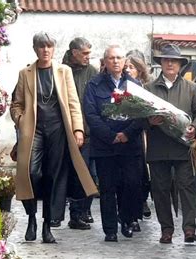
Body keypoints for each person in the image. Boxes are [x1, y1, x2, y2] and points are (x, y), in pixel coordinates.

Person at [10, 32, 98, 243]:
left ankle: (47, 225)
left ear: (54, 49)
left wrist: (78, 129)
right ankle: (31, 217)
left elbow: (73, 102)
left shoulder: (63, 71)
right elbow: (16, 104)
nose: (45, 50)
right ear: (35, 49)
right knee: (30, 173)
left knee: (52, 177)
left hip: (58, 129)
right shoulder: (26, 73)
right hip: (34, 130)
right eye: (41, 47)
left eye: (49, 47)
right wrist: (21, 120)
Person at [145, 44, 196, 243]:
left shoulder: (192, 88)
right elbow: (137, 119)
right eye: (166, 60)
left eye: (174, 60)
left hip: (183, 148)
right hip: (159, 148)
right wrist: (148, 121)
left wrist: (195, 128)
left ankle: (189, 229)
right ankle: (166, 230)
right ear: (161, 63)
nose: (170, 63)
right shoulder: (149, 89)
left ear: (181, 64)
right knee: (160, 190)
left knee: (187, 188)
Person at [83, 45, 143, 242]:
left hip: (129, 145)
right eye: (111, 58)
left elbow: (142, 113)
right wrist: (111, 135)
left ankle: (126, 219)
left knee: (131, 184)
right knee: (108, 188)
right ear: (105, 62)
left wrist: (126, 133)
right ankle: (110, 230)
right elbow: (91, 114)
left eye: (119, 57)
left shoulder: (135, 85)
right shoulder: (94, 85)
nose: (115, 61)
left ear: (125, 61)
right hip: (104, 146)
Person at [48, 37, 99, 230]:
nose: (88, 57)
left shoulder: (92, 72)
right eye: (85, 53)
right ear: (74, 52)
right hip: (61, 132)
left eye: (89, 53)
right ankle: (54, 215)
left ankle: (79, 214)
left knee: (83, 175)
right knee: (60, 174)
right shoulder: (59, 71)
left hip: (85, 133)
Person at [124, 51, 152, 229]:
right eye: (126, 67)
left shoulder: (146, 88)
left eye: (131, 67)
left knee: (144, 171)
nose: (127, 70)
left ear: (139, 70)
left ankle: (142, 201)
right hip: (128, 133)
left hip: (144, 134)